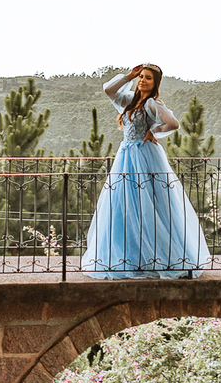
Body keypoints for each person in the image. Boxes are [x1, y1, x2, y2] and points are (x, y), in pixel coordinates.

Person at [80, 63, 211, 278]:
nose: (143, 80)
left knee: (150, 205)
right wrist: (128, 76)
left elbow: (173, 123)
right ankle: (132, 257)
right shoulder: (129, 100)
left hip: (144, 157)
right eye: (141, 76)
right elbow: (108, 90)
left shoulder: (152, 103)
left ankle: (161, 257)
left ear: (155, 83)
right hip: (126, 158)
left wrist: (153, 131)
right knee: (124, 206)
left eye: (148, 78)